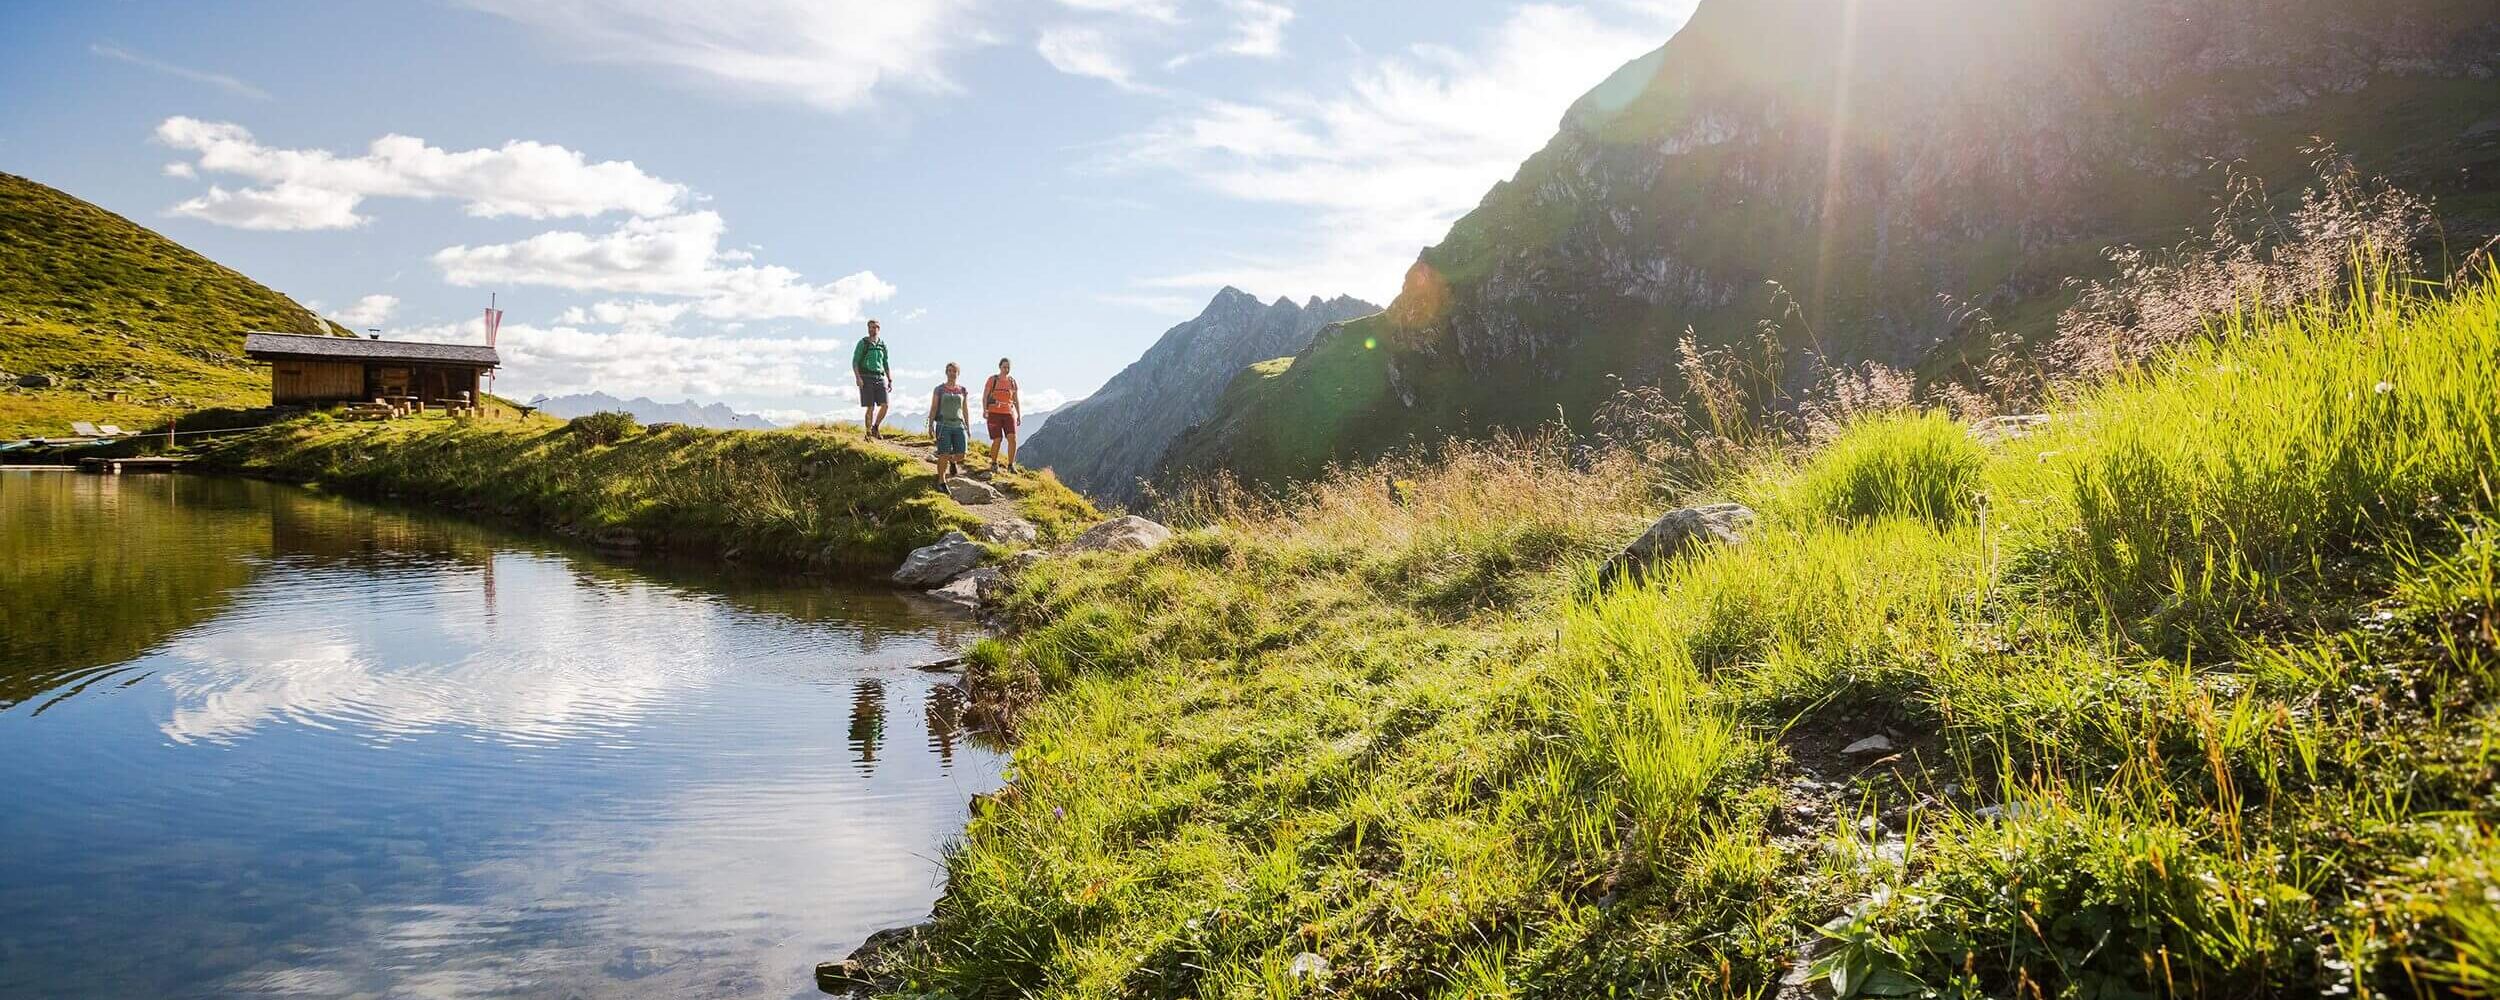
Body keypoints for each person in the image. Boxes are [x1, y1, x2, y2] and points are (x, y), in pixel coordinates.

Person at [928, 362, 971, 480]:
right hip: (943, 425)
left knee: (962, 454)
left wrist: (968, 426)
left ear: (958, 373)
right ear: (946, 372)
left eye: (954, 371)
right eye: (950, 371)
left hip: (958, 424)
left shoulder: (962, 390)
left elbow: (965, 409)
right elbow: (934, 407)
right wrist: (930, 424)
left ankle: (952, 461)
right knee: (943, 454)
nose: (952, 373)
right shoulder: (939, 389)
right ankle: (941, 481)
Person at [981, 357, 1022, 475]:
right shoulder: (992, 380)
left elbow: (1016, 400)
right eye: (1004, 367)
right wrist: (985, 410)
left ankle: (1011, 465)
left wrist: (1019, 415)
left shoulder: (1012, 382)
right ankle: (994, 463)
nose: (1006, 369)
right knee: (997, 439)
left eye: (1008, 367)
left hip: (1009, 413)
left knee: (1012, 439)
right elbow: (985, 397)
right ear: (1000, 367)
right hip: (994, 414)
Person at [852, 319, 891, 438]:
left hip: (880, 377)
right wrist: (858, 378)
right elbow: (855, 362)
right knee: (870, 406)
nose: (872, 329)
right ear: (868, 328)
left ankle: (876, 427)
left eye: (875, 327)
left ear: (879, 329)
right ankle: (868, 433)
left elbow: (885, 363)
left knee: (885, 405)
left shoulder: (882, 344)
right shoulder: (863, 343)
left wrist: (890, 379)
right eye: (870, 327)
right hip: (866, 377)